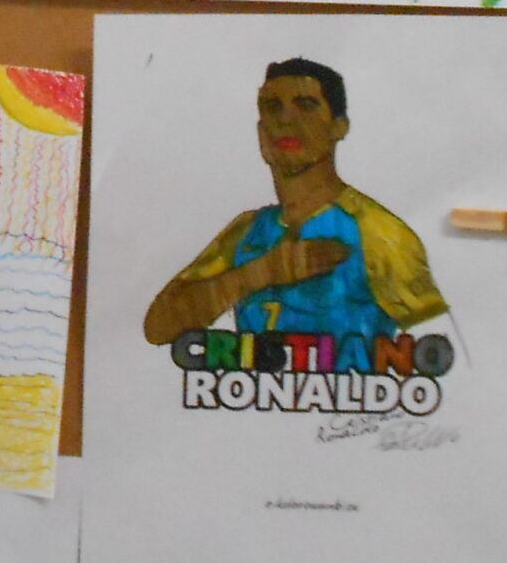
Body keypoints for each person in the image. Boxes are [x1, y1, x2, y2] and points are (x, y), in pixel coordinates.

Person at [141, 58, 447, 368]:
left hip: (350, 398)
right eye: (272, 107)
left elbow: (441, 354)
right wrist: (262, 272)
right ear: (261, 131)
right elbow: (158, 328)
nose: (286, 119)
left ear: (339, 127)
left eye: (306, 105)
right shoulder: (248, 230)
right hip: (254, 396)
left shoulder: (378, 232)